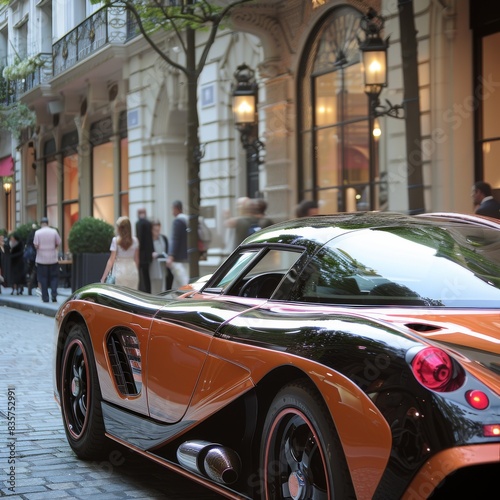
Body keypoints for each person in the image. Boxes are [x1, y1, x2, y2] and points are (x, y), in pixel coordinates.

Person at [101, 216, 139, 288]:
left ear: (119, 228)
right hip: (132, 272)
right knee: (132, 296)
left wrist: (103, 278)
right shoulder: (135, 241)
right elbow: (136, 259)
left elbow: (111, 260)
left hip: (119, 272)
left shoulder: (115, 241)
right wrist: (135, 270)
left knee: (119, 297)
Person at [34, 217, 61, 303]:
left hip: (41, 259)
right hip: (53, 258)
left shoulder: (37, 232)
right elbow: (58, 243)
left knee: (43, 279)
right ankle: (54, 295)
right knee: (54, 278)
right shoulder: (54, 232)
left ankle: (45, 298)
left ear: (41, 223)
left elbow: (36, 245)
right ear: (48, 223)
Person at [167, 200, 189, 289]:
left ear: (176, 209)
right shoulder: (187, 220)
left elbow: (175, 239)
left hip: (178, 259)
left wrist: (171, 256)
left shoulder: (178, 221)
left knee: (184, 282)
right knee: (176, 284)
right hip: (186, 257)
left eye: (172, 209)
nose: (172, 212)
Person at [149, 219, 171, 294]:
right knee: (154, 288)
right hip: (153, 267)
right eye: (155, 230)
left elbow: (167, 251)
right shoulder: (149, 240)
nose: (157, 232)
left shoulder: (163, 238)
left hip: (162, 267)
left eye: (158, 230)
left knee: (162, 288)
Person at [135, 208, 154, 293]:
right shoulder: (148, 223)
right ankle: (148, 291)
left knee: (140, 275)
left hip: (141, 254)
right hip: (148, 254)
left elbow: (139, 239)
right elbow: (150, 239)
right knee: (147, 275)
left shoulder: (138, 223)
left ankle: (141, 291)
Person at [24, 223, 38, 295]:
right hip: (36, 256)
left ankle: (30, 285)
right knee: (35, 271)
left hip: (30, 257)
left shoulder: (30, 235)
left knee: (32, 271)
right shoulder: (37, 235)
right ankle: (34, 285)